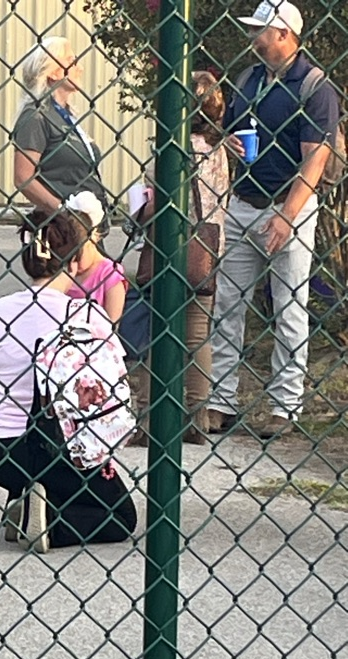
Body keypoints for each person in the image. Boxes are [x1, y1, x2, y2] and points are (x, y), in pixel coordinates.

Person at [0, 211, 137, 553]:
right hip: (65, 448)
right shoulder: (87, 315)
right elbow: (113, 382)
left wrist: (14, 390)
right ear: (74, 264)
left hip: (2, 451)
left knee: (39, 467)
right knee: (119, 516)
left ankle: (27, 497)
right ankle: (50, 522)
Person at [208, 0, 340, 439]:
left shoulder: (315, 88)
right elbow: (232, 128)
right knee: (228, 305)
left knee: (288, 308)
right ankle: (221, 401)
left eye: (260, 30)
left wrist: (287, 215)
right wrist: (228, 143)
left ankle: (285, 405)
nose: (253, 37)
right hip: (243, 203)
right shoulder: (249, 79)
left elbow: (315, 160)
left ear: (284, 33)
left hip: (289, 208)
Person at [134, 70, 230, 445]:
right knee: (196, 335)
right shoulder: (221, 149)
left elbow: (151, 201)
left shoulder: (170, 146)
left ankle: (145, 416)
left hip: (167, 246)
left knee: (152, 329)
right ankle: (196, 415)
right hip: (206, 246)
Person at [13, 37, 110, 240]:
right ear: (53, 73)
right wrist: (63, 213)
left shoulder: (66, 116)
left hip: (87, 227)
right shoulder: (36, 115)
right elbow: (23, 178)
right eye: (71, 61)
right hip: (65, 230)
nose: (80, 68)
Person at [64, 191, 128, 322]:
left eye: (78, 254)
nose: (72, 263)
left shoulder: (109, 274)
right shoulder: (62, 273)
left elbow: (112, 324)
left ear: (94, 237)